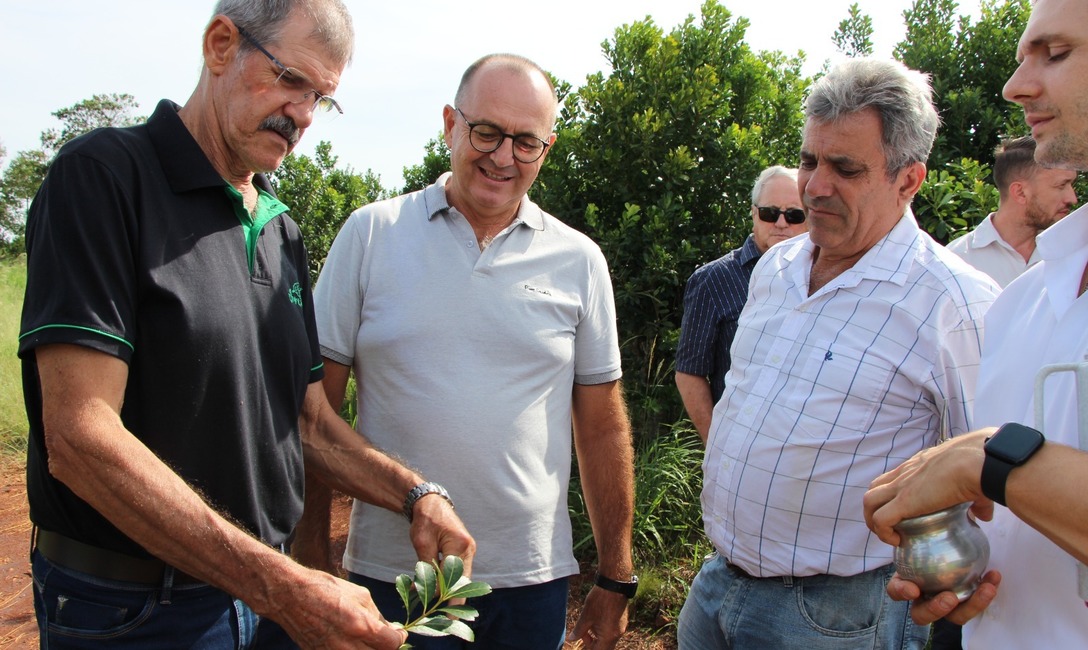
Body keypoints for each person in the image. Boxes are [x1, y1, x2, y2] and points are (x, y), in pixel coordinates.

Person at [17, 2, 474, 648]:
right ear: (220, 44)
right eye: (291, 81)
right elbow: (79, 438)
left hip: (261, 605)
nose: (303, 116)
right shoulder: (104, 178)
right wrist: (280, 585)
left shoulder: (281, 232)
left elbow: (307, 422)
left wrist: (415, 494)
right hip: (132, 610)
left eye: (321, 98)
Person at [292, 53, 636, 650]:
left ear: (545, 149)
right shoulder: (371, 235)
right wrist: (312, 550)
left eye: (525, 141)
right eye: (486, 132)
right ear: (450, 123)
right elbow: (313, 413)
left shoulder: (579, 261)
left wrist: (616, 574)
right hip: (392, 574)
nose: (503, 157)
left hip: (530, 580)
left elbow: (602, 427)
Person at [675, 57, 1001, 650]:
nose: (815, 187)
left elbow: (994, 474)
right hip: (718, 580)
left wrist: (960, 590)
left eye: (845, 168)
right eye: (809, 160)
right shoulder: (774, 267)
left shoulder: (954, 302)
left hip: (837, 615)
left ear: (908, 180)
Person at [864, 0, 1088, 646]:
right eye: (1022, 57)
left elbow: (992, 466)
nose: (1015, 85)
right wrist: (956, 568)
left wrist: (986, 458)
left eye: (1057, 53)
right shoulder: (1022, 306)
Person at [675, 166, 808, 442]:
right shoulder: (712, 280)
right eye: (770, 213)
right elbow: (689, 373)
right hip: (740, 449)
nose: (781, 224)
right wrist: (716, 445)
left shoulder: (824, 281)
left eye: (795, 215)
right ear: (753, 213)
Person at [947, 135, 1077, 287]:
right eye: (1061, 185)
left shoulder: (1073, 255)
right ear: (1020, 192)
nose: (1072, 198)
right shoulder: (958, 261)